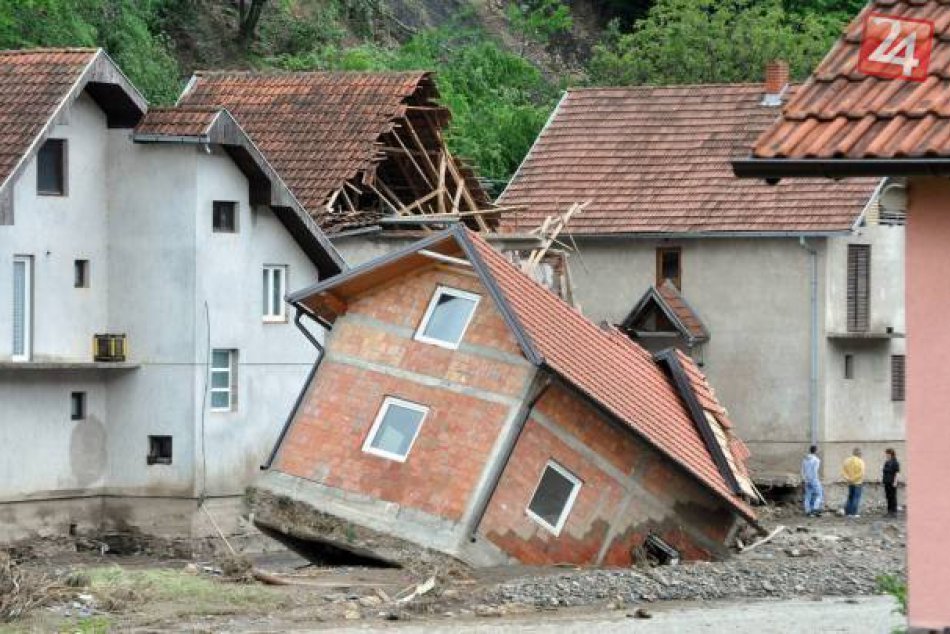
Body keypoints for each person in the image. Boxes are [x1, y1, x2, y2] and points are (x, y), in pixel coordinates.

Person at [842, 448, 865, 518]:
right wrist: (854, 479)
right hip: (858, 482)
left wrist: (848, 479)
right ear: (859, 454)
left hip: (850, 482)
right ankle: (854, 513)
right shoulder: (860, 461)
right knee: (856, 498)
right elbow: (861, 473)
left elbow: (843, 472)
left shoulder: (847, 461)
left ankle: (847, 513)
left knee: (850, 497)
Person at [801, 445, 823, 517]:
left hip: (807, 480)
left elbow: (802, 470)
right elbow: (815, 471)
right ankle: (815, 509)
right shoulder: (816, 460)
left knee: (808, 495)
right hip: (814, 479)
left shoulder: (805, 459)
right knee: (819, 494)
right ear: (816, 451)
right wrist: (816, 479)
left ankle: (808, 511)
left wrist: (804, 479)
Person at [883, 448, 901, 517]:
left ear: (891, 454)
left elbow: (897, 473)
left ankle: (894, 512)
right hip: (886, 482)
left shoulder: (895, 462)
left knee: (892, 497)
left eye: (887, 454)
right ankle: (889, 511)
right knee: (888, 497)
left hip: (892, 482)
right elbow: (884, 472)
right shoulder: (887, 462)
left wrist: (895, 482)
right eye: (886, 454)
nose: (886, 455)